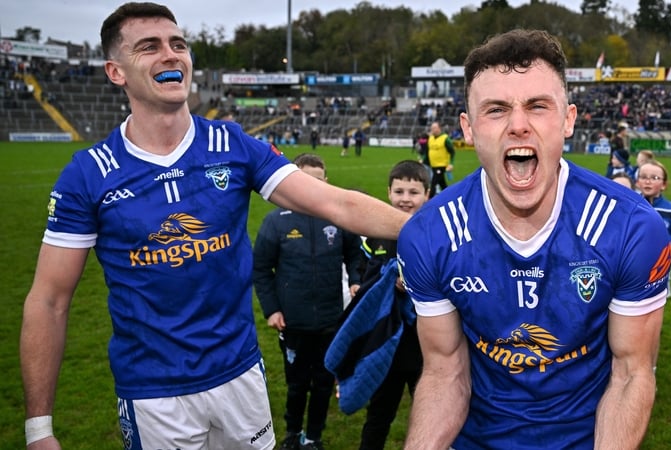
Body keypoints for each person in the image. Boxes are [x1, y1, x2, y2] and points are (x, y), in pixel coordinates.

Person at [18, 3, 408, 449]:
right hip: (154, 394)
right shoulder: (89, 174)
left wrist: (422, 231)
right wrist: (38, 428)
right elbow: (49, 300)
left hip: (240, 375)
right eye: (149, 47)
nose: (171, 55)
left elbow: (335, 202)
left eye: (178, 44)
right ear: (116, 71)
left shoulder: (232, 145)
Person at [397, 29, 671, 449]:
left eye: (537, 106)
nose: (519, 125)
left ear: (568, 120)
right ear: (468, 131)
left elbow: (632, 371)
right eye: (496, 109)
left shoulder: (631, 228)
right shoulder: (430, 234)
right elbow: (444, 370)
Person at [253, 153, 363, 450]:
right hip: (293, 321)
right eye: (306, 181)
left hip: (331, 320)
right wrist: (272, 309)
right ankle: (291, 434)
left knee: (324, 383)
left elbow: (355, 254)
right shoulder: (276, 221)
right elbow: (261, 269)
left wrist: (355, 277)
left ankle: (314, 436)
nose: (314, 187)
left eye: (319, 181)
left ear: (326, 182)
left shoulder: (338, 219)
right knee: (297, 384)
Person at [356, 160, 429, 450]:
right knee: (378, 416)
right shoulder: (376, 233)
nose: (405, 199)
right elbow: (366, 279)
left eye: (413, 192)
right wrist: (388, 282)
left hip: (426, 346)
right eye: (399, 191)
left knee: (429, 415)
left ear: (427, 194)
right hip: (385, 344)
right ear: (388, 192)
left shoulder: (435, 234)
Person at [636, 160, 671, 300]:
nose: (648, 181)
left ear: (664, 185)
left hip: (659, 272)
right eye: (643, 177)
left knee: (654, 312)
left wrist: (660, 239)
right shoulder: (631, 206)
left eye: (654, 178)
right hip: (630, 270)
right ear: (637, 182)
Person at [425, 121, 455, 198]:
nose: (432, 130)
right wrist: (424, 160)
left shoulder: (445, 138)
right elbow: (428, 151)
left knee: (433, 183)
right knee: (442, 184)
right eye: (432, 128)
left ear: (439, 128)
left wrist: (451, 163)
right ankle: (451, 196)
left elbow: (452, 152)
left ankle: (429, 201)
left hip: (441, 165)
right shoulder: (431, 138)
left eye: (434, 128)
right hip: (433, 165)